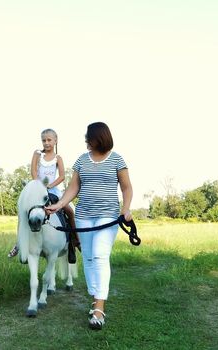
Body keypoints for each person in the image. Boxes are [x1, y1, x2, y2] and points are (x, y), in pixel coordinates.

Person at [45, 122, 133, 331]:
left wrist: (126, 208)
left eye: (89, 138)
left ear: (99, 138)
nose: (86, 141)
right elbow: (73, 187)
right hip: (84, 216)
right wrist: (58, 205)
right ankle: (96, 298)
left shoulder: (116, 159)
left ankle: (99, 309)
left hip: (108, 216)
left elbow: (127, 187)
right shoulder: (82, 160)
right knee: (89, 257)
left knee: (101, 255)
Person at [8, 128, 80, 262]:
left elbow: (62, 176)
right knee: (23, 211)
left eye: (49, 140)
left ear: (55, 140)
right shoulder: (37, 154)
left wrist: (50, 186)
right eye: (43, 140)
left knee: (69, 210)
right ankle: (19, 243)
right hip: (37, 188)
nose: (46, 143)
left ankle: (74, 240)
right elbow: (34, 171)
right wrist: (39, 185)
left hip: (52, 190)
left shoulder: (58, 158)